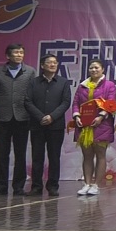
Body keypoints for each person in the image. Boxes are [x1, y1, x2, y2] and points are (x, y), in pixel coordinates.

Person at [0, 43, 36, 197]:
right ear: (8, 56)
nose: (19, 55)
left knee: (20, 154)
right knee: (3, 153)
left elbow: (33, 94)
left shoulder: (30, 71)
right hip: (3, 117)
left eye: (21, 52)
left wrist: (32, 115)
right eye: (16, 53)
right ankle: (1, 186)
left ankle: (18, 187)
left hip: (23, 117)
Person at [24, 54, 71, 197]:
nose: (52, 65)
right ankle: (36, 187)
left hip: (56, 126)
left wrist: (52, 117)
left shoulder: (63, 82)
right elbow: (27, 101)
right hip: (37, 125)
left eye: (55, 62)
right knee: (37, 157)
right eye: (49, 62)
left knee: (54, 157)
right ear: (42, 65)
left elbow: (65, 102)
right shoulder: (33, 82)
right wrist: (41, 117)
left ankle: (53, 186)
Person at [71, 59, 116, 196]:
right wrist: (77, 116)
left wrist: (101, 117)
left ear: (103, 69)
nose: (94, 70)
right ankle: (86, 184)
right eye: (91, 68)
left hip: (102, 125)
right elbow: (75, 103)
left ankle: (96, 185)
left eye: (97, 68)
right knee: (87, 156)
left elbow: (111, 102)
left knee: (100, 155)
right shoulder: (82, 86)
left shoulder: (109, 85)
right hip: (84, 126)